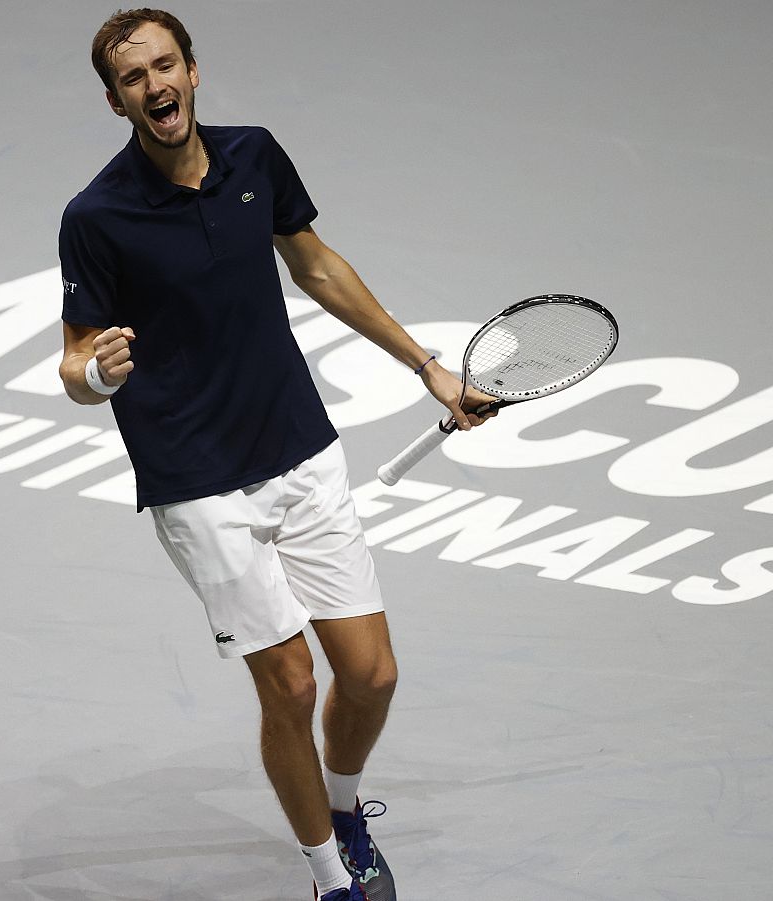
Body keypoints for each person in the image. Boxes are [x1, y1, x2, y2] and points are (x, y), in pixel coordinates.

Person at [57, 9, 496, 899]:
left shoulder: (254, 154)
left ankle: (341, 806)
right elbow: (75, 362)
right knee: (291, 686)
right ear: (116, 102)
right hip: (199, 484)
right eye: (134, 78)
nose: (156, 86)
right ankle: (332, 877)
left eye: (166, 65)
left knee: (370, 674)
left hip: (299, 447)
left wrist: (428, 368)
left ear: (192, 71)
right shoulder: (96, 216)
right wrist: (98, 375)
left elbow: (317, 264)